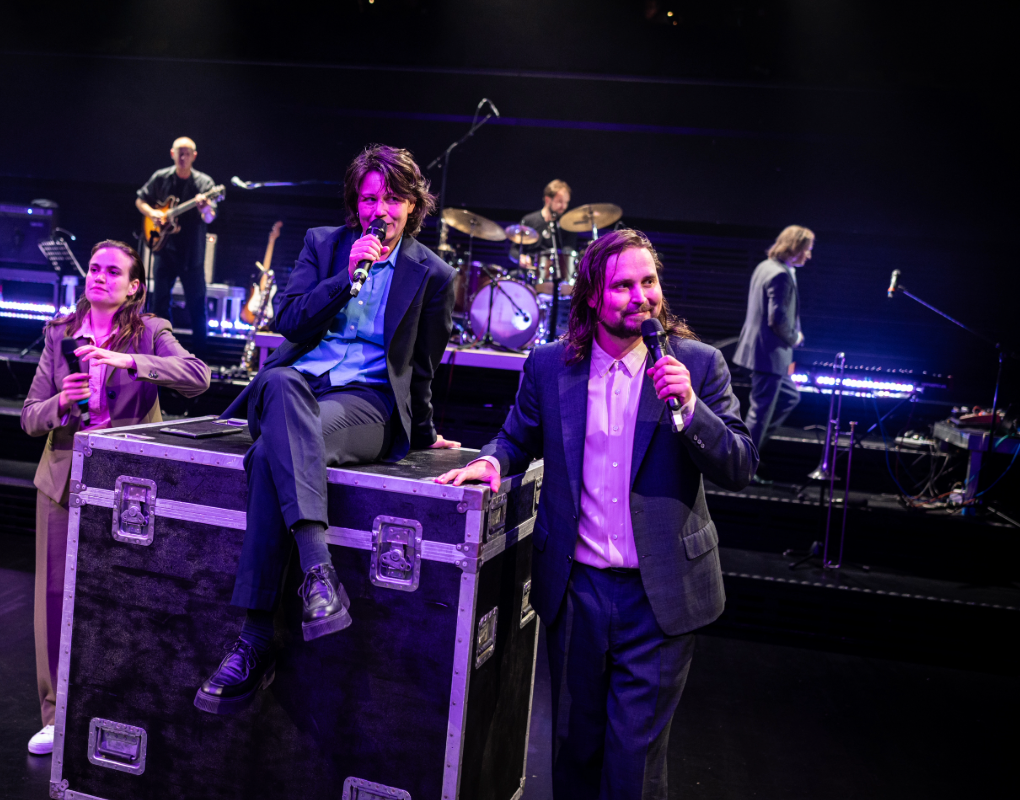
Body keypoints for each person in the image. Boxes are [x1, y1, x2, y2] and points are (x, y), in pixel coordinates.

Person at [436, 229, 755, 800]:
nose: (642, 297)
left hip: (660, 595)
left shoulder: (699, 366)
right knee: (574, 751)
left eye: (649, 282)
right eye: (624, 286)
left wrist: (692, 408)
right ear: (591, 296)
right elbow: (516, 439)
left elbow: (739, 464)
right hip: (576, 590)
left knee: (632, 763)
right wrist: (489, 463)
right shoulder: (551, 366)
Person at [195, 144, 461, 715]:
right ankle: (317, 571)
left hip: (364, 406)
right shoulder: (323, 245)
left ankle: (253, 641)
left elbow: (422, 369)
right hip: (292, 387)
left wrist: (425, 434)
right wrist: (345, 279)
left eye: (394, 198)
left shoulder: (433, 275)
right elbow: (288, 322)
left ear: (414, 206)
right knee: (282, 384)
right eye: (370, 197)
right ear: (355, 204)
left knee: (271, 454)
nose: (380, 209)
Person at [20, 240, 211, 755]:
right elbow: (28, 415)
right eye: (95, 268)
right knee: (56, 599)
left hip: (129, 487)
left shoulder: (150, 330)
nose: (99, 277)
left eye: (113, 271)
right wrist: (61, 402)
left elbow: (198, 377)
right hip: (63, 479)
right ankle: (55, 715)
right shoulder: (60, 332)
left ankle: (128, 709)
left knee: (129, 597)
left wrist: (127, 360)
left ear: (134, 287)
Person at [733, 225, 813, 483]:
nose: (809, 255)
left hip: (761, 352)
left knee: (789, 397)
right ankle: (743, 466)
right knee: (759, 414)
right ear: (794, 248)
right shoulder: (780, 275)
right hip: (769, 354)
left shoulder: (766, 266)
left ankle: (749, 452)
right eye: (807, 250)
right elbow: (777, 320)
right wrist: (795, 338)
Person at [135, 136, 219, 355]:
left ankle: (200, 361)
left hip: (192, 255)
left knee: (197, 309)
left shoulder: (204, 184)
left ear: (194, 156)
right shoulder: (160, 178)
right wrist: (153, 213)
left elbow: (210, 218)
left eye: (187, 153)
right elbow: (140, 200)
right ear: (172, 154)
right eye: (179, 153)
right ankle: (160, 354)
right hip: (164, 251)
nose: (183, 157)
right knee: (159, 306)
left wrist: (204, 209)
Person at [511, 179, 579, 270]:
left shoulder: (567, 225)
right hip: (531, 272)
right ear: (548, 200)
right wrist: (520, 258)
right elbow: (513, 250)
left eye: (566, 202)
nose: (564, 206)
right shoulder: (529, 220)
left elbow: (569, 249)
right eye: (560, 201)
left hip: (557, 274)